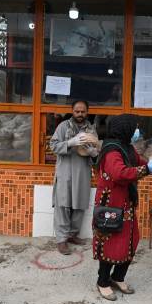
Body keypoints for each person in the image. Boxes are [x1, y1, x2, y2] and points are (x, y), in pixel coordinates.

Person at [93, 114, 152, 300]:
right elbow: (120, 173)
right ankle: (103, 282)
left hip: (126, 204)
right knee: (110, 243)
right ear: (124, 129)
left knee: (131, 239)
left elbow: (141, 163)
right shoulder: (112, 151)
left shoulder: (127, 148)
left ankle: (118, 277)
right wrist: (147, 170)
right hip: (110, 205)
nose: (137, 132)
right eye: (135, 128)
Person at [49, 100, 98, 255]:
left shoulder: (91, 129)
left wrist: (94, 153)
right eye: (77, 111)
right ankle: (61, 240)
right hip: (65, 171)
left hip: (83, 171)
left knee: (79, 204)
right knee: (63, 204)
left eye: (83, 111)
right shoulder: (63, 126)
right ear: (72, 111)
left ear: (87, 112)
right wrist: (70, 142)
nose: (80, 114)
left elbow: (97, 150)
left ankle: (72, 235)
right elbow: (53, 146)